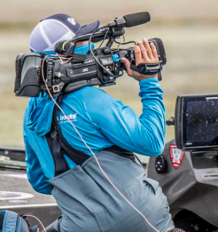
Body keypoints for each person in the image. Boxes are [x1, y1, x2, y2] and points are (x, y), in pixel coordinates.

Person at [23, 14, 175, 231]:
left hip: (81, 225)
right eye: (84, 42)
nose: (91, 46)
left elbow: (40, 182)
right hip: (142, 218)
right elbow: (151, 142)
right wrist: (149, 82)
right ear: (64, 55)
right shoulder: (91, 100)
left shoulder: (30, 116)